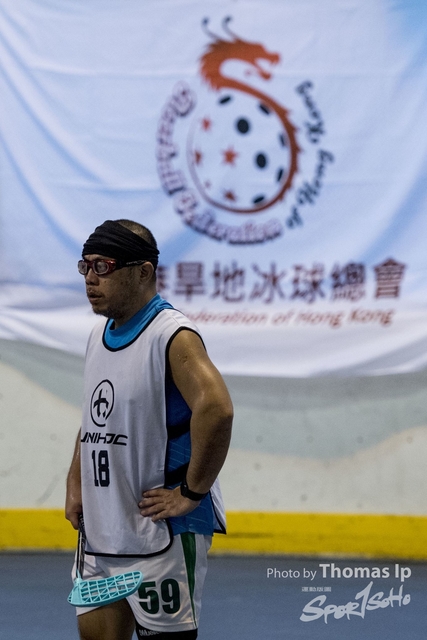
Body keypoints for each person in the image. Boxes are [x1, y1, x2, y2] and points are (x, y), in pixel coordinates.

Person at [65, 219, 233, 640]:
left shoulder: (172, 335)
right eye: (85, 266)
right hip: (103, 528)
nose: (90, 278)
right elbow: (95, 419)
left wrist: (191, 492)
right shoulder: (99, 335)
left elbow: (217, 410)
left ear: (143, 271)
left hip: (161, 532)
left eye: (103, 267)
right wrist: (75, 481)